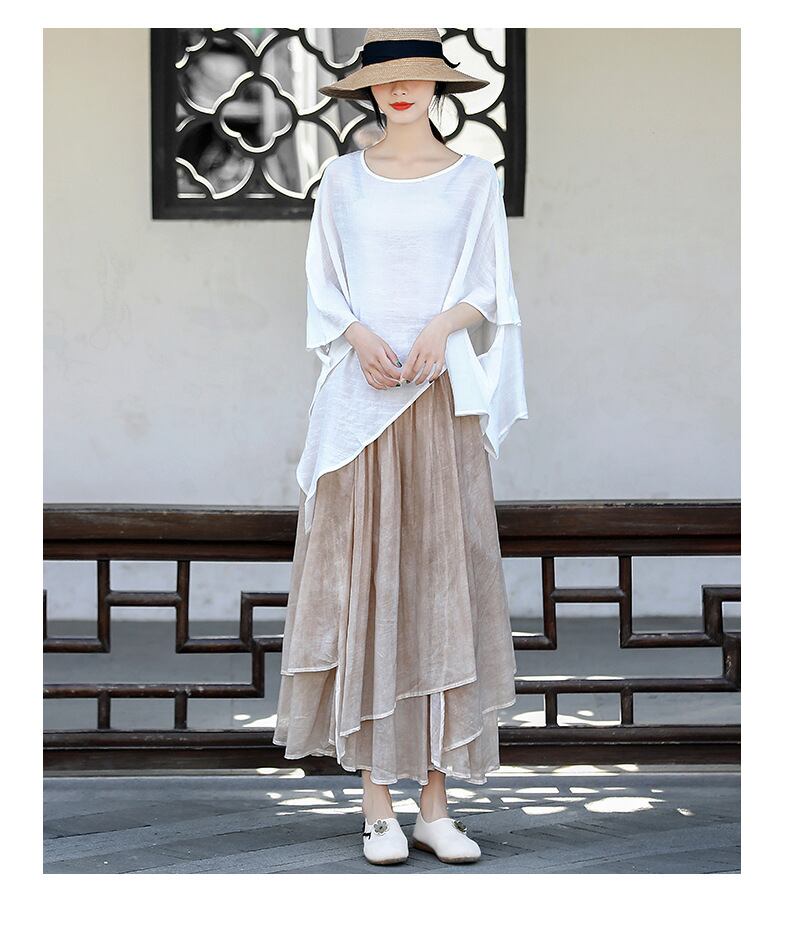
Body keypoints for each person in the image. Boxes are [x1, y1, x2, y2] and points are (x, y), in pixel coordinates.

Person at [273, 27, 529, 866]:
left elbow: (488, 286)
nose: (402, 89)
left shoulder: (474, 178)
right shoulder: (341, 180)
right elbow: (322, 285)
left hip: (440, 397)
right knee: (366, 585)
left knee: (441, 584)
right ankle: (377, 802)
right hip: (360, 401)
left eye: (418, 76)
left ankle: (436, 803)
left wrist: (441, 327)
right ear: (369, 90)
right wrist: (357, 336)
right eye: (386, 79)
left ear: (439, 86)